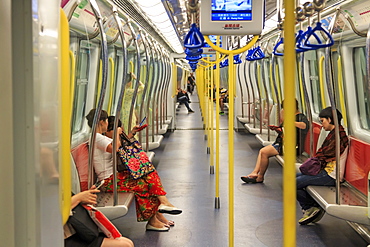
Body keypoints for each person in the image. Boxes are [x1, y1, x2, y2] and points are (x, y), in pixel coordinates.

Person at [85, 109, 182, 232]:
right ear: (101, 122)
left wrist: (130, 133)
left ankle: (159, 211)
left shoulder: (98, 137)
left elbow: (116, 145)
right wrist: (116, 133)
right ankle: (157, 213)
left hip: (114, 176)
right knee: (143, 183)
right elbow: (114, 148)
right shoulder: (96, 137)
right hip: (108, 180)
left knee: (147, 172)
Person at [296, 107, 348, 225]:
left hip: (331, 175)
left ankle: (311, 207)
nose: (322, 124)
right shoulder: (334, 134)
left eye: (322, 121)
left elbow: (324, 154)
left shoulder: (338, 137)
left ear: (329, 119)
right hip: (325, 171)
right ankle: (312, 208)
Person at [241, 99, 309, 183]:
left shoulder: (300, 117)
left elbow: (304, 126)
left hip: (292, 146)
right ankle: (255, 173)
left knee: (264, 152)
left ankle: (260, 176)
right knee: (262, 151)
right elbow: (283, 130)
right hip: (283, 143)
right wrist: (277, 129)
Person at [64, 186, 134, 247]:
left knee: (127, 243)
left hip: (74, 231)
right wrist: (78, 198)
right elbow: (55, 214)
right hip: (61, 239)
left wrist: (84, 199)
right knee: (124, 245)